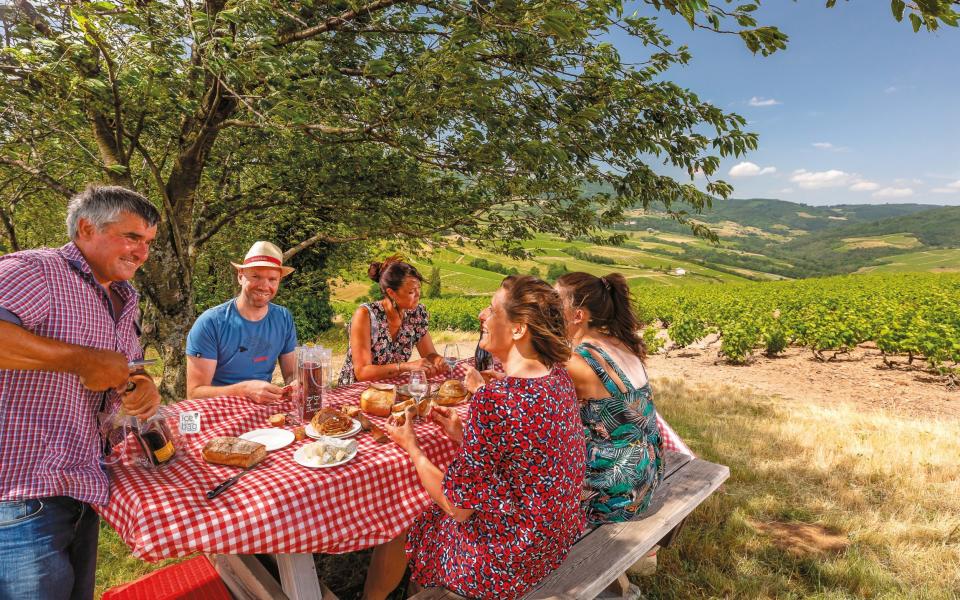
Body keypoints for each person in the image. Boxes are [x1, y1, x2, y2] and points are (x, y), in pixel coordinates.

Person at [364, 275, 585, 600]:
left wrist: (412, 446)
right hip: (551, 542)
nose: (482, 314)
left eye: (493, 310)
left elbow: (458, 508)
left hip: (503, 562)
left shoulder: (493, 398)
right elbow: (523, 452)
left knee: (409, 514)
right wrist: (462, 433)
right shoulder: (557, 377)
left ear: (518, 328)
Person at [0, 185, 162, 600]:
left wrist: (140, 387)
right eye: (131, 237)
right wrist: (81, 360)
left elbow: (126, 369)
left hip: (84, 484)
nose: (141, 253)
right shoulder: (35, 270)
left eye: (147, 242)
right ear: (87, 228)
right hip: (20, 497)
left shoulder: (125, 297)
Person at [555, 272, 664, 526]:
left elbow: (534, 402)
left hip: (616, 493)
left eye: (554, 303)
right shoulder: (620, 343)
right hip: (647, 475)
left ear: (577, 315)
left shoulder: (579, 363)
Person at [186, 241, 298, 403]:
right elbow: (194, 393)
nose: (264, 286)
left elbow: (291, 374)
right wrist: (244, 390)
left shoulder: (283, 317)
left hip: (264, 408)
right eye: (256, 276)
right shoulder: (210, 322)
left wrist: (295, 384)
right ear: (240, 276)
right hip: (219, 410)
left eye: (272, 279)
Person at [338, 255, 447, 385]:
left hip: (393, 387)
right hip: (357, 391)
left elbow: (429, 354)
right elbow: (362, 372)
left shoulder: (417, 314)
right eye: (412, 291)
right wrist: (406, 367)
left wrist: (438, 360)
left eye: (419, 289)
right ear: (391, 293)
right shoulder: (366, 315)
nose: (418, 295)